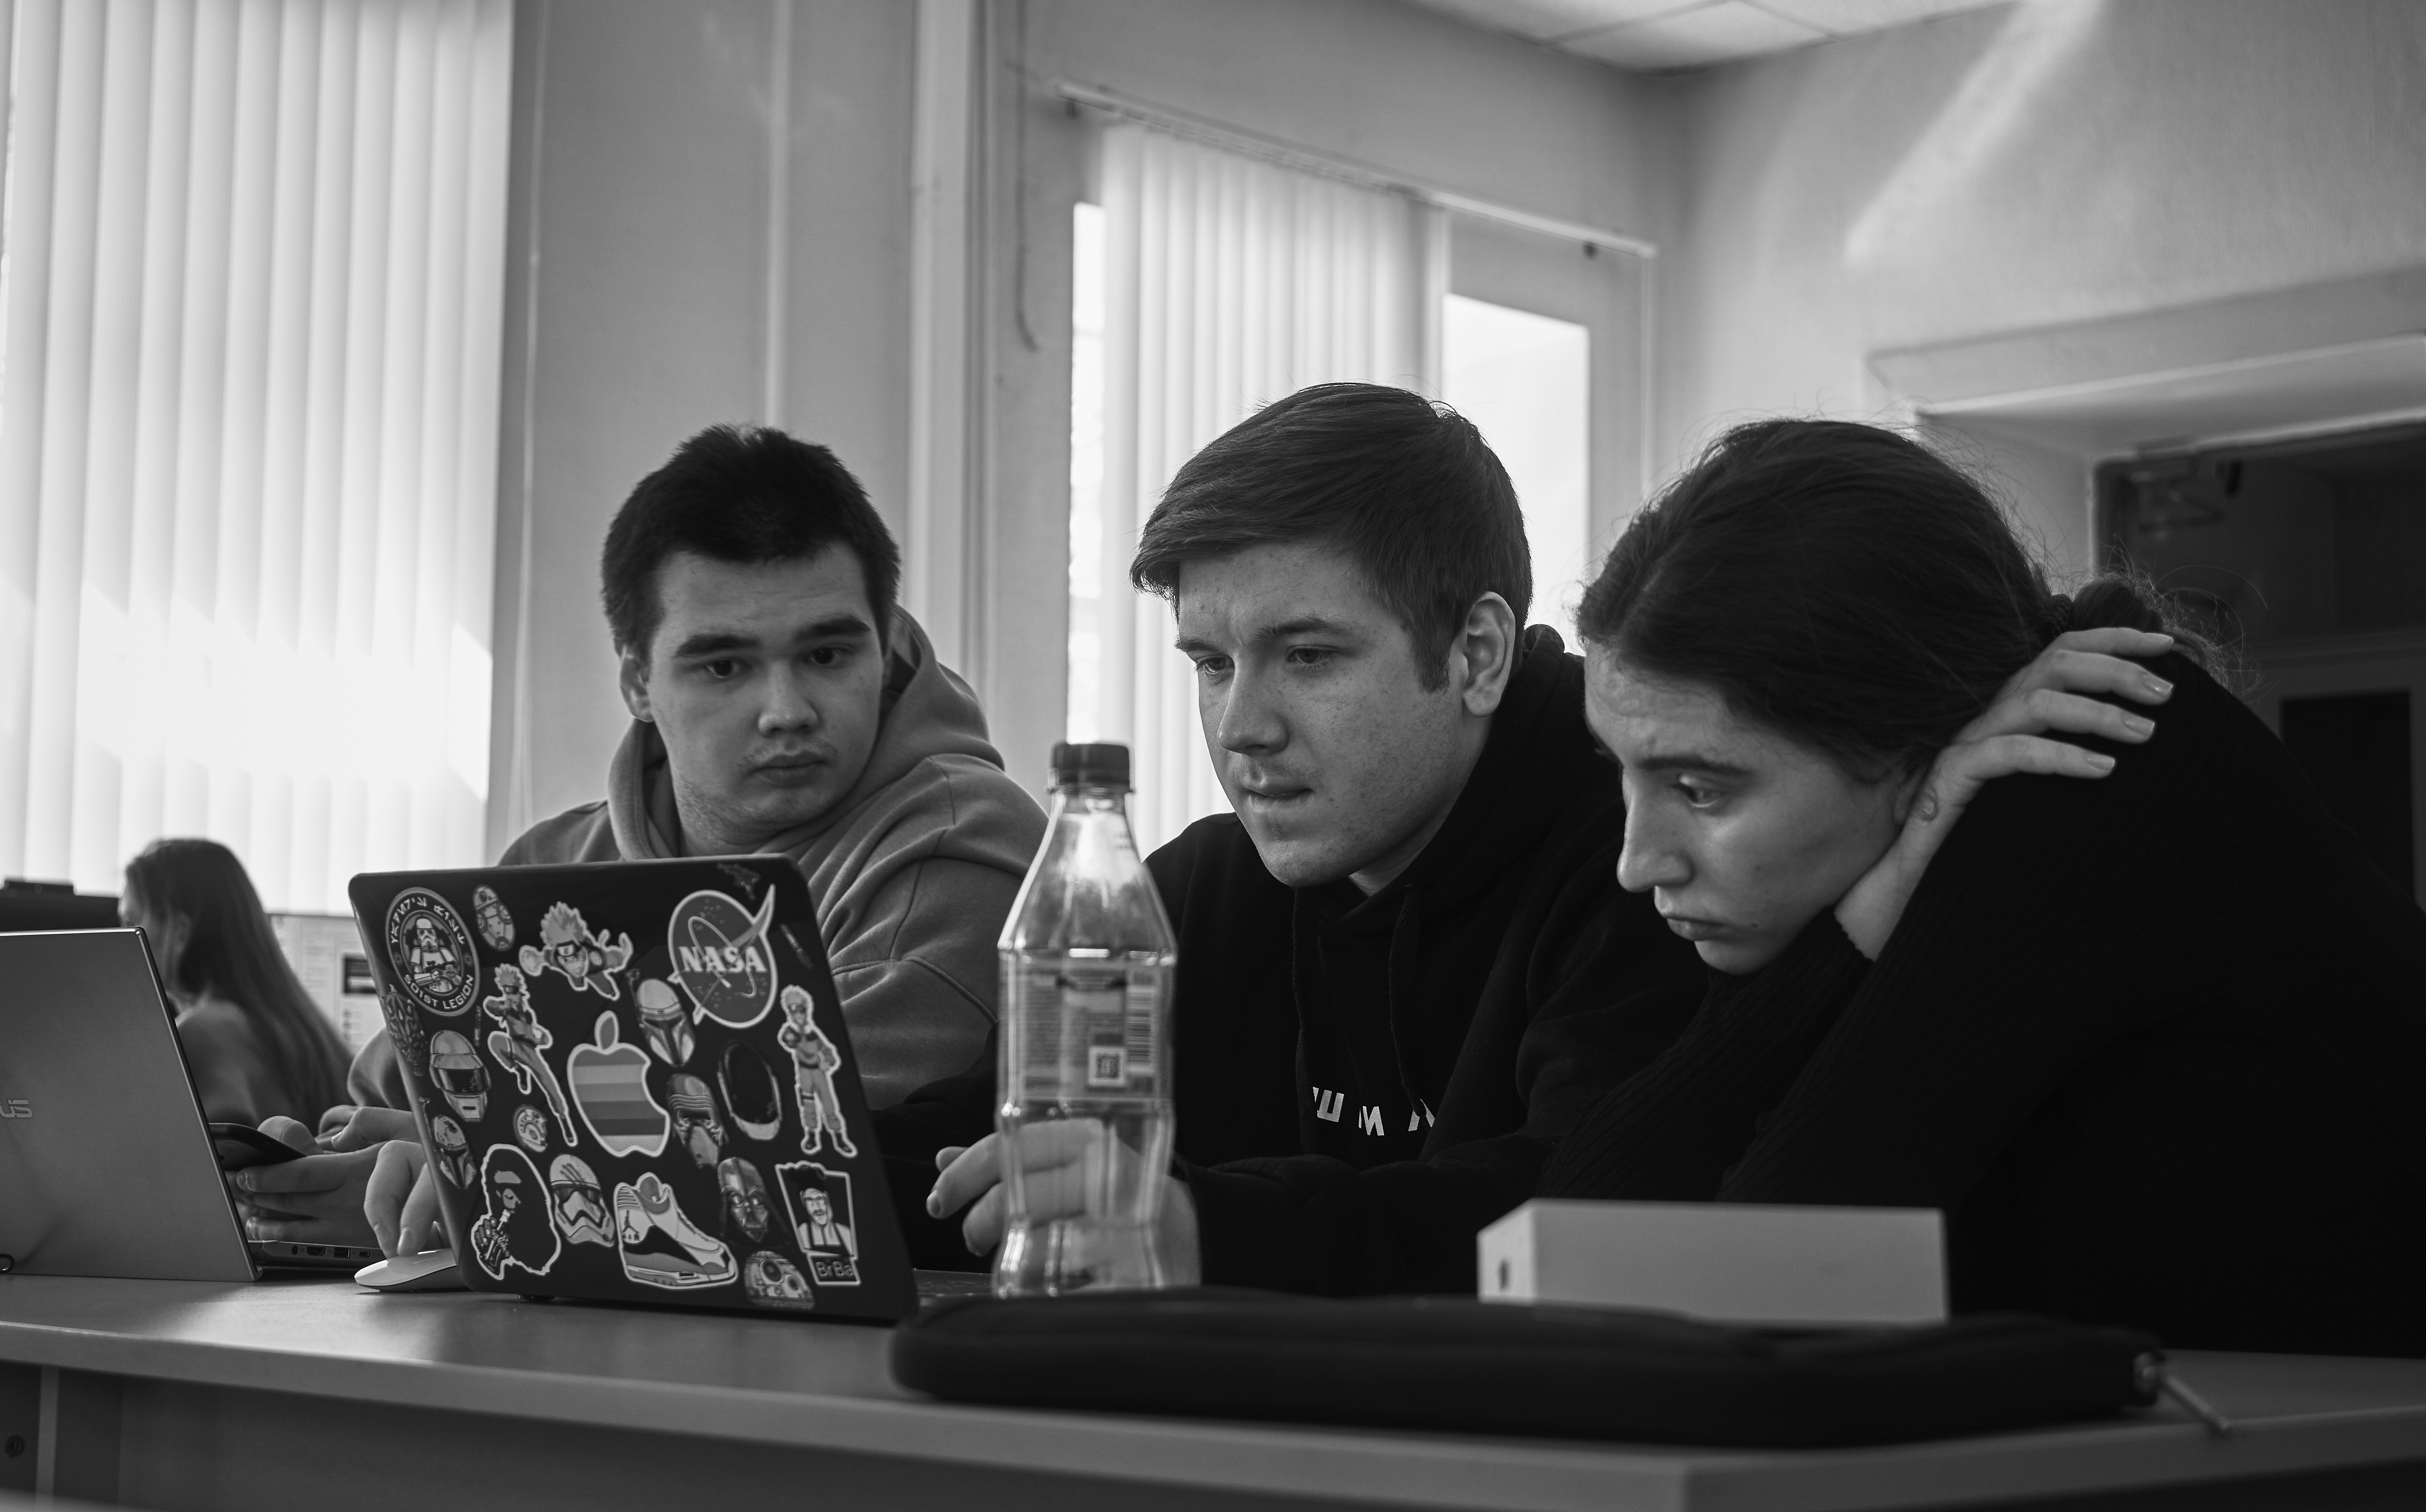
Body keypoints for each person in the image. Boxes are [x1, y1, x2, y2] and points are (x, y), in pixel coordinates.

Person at [1540, 419, 2426, 1356]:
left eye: (1699, 788)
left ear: (1910, 746)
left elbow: (1774, 1274)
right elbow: (1576, 1240)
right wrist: (1870, 909)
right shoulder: (1864, 857)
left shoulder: (2091, 758)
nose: (1639, 863)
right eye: (1622, 774)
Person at [918, 384, 1714, 1292]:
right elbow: (967, 1152)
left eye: (1307, 656)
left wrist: (1210, 1232)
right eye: (1212, 665)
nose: (1239, 727)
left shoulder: (1652, 862)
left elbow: (1579, 1213)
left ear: (1476, 655)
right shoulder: (1203, 890)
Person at [330, 425, 1046, 1254]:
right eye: (724, 667)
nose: (787, 709)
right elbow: (389, 1106)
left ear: (883, 650)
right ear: (637, 679)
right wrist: (328, 1165)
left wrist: (468, 1162)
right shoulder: (548, 865)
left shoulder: (958, 851)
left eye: (826, 653)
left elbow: (792, 1151)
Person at [120, 839, 350, 1129]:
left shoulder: (201, 1034)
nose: (123, 938)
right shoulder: (303, 1028)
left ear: (179, 931)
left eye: (131, 922)